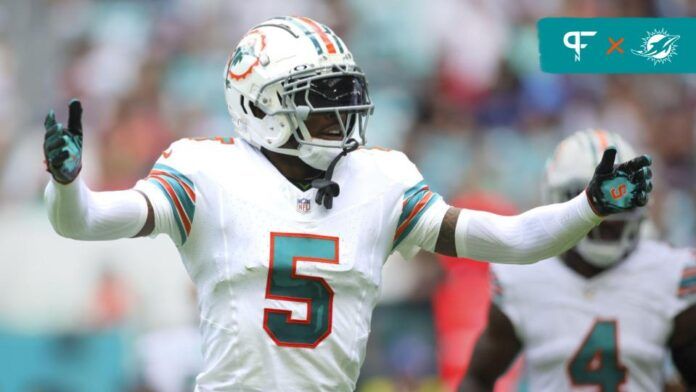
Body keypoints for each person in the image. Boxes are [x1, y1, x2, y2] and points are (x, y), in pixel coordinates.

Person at [43, 17, 653, 391]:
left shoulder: (379, 179)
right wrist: (67, 184)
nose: (342, 115)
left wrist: (590, 207)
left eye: (345, 96)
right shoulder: (207, 170)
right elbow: (87, 222)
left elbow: (513, 240)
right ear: (259, 107)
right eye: (320, 98)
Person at [460, 130, 696, 392]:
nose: (607, 214)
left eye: (620, 196)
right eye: (592, 197)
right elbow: (477, 381)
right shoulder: (522, 276)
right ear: (556, 200)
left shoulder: (670, 274)